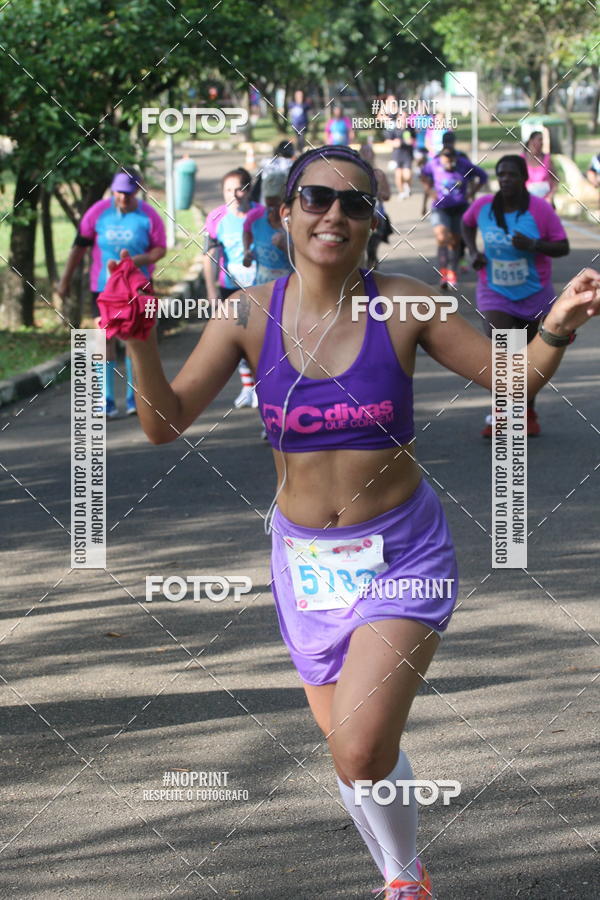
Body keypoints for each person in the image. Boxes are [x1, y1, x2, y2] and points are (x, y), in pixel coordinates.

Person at [119, 145, 599, 899]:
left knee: (358, 746)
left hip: (402, 552)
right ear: (285, 213)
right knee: (356, 750)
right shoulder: (247, 314)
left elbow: (513, 377)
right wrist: (141, 345)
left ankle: (402, 877)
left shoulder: (407, 305)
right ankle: (403, 875)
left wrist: (560, 322)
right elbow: (163, 422)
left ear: (373, 223)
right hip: (305, 562)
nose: (334, 215)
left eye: (355, 204)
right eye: (316, 198)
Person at [462, 154, 569, 437]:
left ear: (524, 178)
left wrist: (534, 244)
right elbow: (466, 223)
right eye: (501, 175)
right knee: (505, 348)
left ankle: (527, 412)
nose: (506, 179)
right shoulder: (484, 206)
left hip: (535, 293)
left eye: (512, 174)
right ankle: (502, 415)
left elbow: (562, 247)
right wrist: (473, 253)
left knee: (529, 355)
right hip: (494, 290)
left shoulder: (541, 210)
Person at [56, 169, 166, 417]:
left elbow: (160, 249)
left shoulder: (148, 216)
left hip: (138, 289)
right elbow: (79, 247)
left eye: (127, 193)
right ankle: (105, 398)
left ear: (137, 190)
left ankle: (133, 397)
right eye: (118, 192)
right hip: (103, 288)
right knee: (103, 337)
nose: (122, 198)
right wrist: (65, 280)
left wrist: (139, 260)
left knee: (133, 339)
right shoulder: (98, 212)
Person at [203, 167, 260, 409]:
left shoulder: (261, 214)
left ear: (247, 190)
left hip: (261, 286)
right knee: (238, 339)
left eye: (239, 188)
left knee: (259, 339)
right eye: (228, 189)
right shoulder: (216, 218)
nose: (234, 194)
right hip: (230, 287)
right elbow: (210, 255)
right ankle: (248, 387)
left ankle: (261, 386)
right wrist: (211, 291)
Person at [421, 147, 487, 288]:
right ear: (441, 157)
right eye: (446, 157)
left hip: (459, 209)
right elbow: (422, 175)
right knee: (442, 238)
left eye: (452, 157)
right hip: (440, 208)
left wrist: (471, 193)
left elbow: (483, 176)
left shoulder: (464, 165)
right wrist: (430, 191)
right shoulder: (434, 164)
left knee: (455, 243)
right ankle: (443, 273)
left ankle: (452, 271)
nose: (449, 161)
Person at [359, 140, 392, 269]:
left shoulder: (379, 174)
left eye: (369, 152)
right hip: (360, 213)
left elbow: (387, 195)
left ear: (373, 155)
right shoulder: (355, 174)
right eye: (364, 151)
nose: (367, 154)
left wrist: (378, 193)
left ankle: (372, 266)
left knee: (372, 247)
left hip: (377, 214)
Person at [521, 131, 558, 203]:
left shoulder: (547, 159)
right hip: (527, 200)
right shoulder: (522, 159)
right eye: (540, 139)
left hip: (546, 201)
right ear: (531, 141)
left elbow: (555, 179)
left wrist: (550, 196)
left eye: (543, 140)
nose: (542, 143)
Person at [387, 118, 416, 198]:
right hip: (397, 155)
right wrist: (394, 143)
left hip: (407, 155)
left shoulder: (409, 129)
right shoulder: (393, 129)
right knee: (398, 176)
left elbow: (413, 140)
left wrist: (411, 141)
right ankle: (401, 192)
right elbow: (388, 141)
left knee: (407, 175)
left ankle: (408, 187)